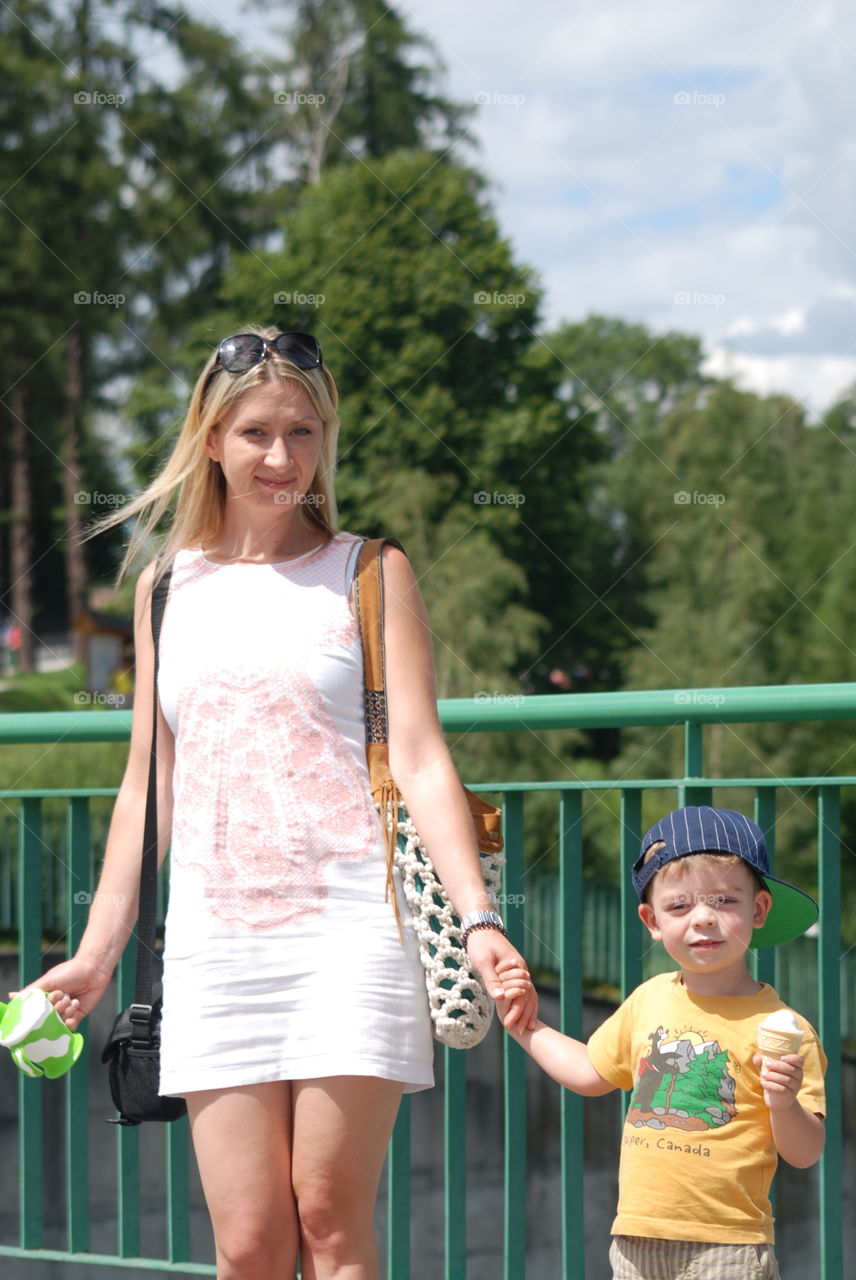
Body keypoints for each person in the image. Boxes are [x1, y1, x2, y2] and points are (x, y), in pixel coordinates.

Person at [32, 326, 537, 1280]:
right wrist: (96, 957)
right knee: (251, 1246)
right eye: (256, 432)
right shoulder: (166, 588)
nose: (281, 458)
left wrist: (479, 920)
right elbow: (151, 781)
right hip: (216, 942)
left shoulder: (368, 572)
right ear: (210, 440)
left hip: (353, 931)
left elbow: (424, 758)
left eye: (302, 432)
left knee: (332, 1229)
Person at [505, 805, 826, 1280]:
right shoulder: (648, 999)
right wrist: (527, 1028)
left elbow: (805, 1151)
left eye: (724, 900)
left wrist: (782, 1104)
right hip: (636, 1241)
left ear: (758, 910)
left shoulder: (783, 1027)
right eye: (679, 905)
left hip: (730, 1247)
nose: (702, 919)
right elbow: (592, 1072)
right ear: (651, 920)